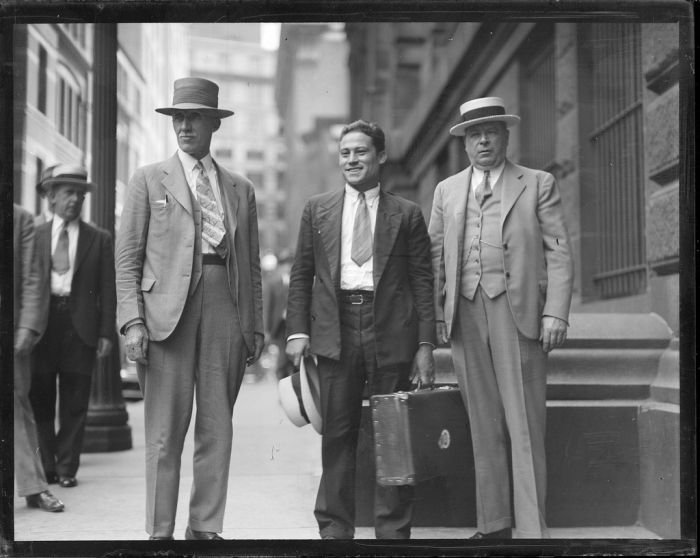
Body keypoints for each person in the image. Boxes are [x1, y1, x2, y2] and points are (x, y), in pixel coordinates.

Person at [115, 77, 264, 541]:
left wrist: (253, 327)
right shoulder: (147, 179)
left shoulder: (239, 188)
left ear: (213, 124)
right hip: (165, 315)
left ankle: (205, 528)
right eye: (178, 117)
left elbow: (252, 265)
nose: (183, 126)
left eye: (194, 117)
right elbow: (127, 258)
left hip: (226, 308)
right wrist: (132, 321)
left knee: (217, 429)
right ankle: (160, 531)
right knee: (163, 433)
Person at [428, 97, 574, 539]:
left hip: (519, 312)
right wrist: (435, 316)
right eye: (474, 134)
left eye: (491, 131)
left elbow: (560, 251)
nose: (484, 140)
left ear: (506, 135)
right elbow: (435, 257)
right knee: (482, 422)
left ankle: (532, 530)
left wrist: (556, 313)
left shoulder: (537, 183)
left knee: (525, 424)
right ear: (465, 142)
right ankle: (493, 525)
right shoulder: (447, 190)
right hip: (464, 313)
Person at [285, 120, 436, 540]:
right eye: (346, 153)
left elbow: (423, 282)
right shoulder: (319, 209)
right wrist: (297, 330)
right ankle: (335, 526)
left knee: (392, 429)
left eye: (361, 152)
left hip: (390, 329)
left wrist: (425, 345)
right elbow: (301, 275)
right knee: (337, 431)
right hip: (336, 331)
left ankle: (392, 529)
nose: (352, 160)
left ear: (381, 157)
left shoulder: (406, 214)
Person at [30, 166, 116, 490]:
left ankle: (67, 468)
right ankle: (46, 466)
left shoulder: (99, 238)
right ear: (51, 197)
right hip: (43, 324)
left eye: (80, 194)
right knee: (40, 398)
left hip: (81, 329)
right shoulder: (35, 235)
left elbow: (108, 289)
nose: (75, 199)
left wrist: (106, 333)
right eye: (68, 193)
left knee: (75, 402)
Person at [13, 204, 64, 512]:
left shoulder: (20, 218)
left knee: (16, 406)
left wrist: (28, 327)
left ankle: (34, 487)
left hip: (11, 330)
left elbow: (34, 279)